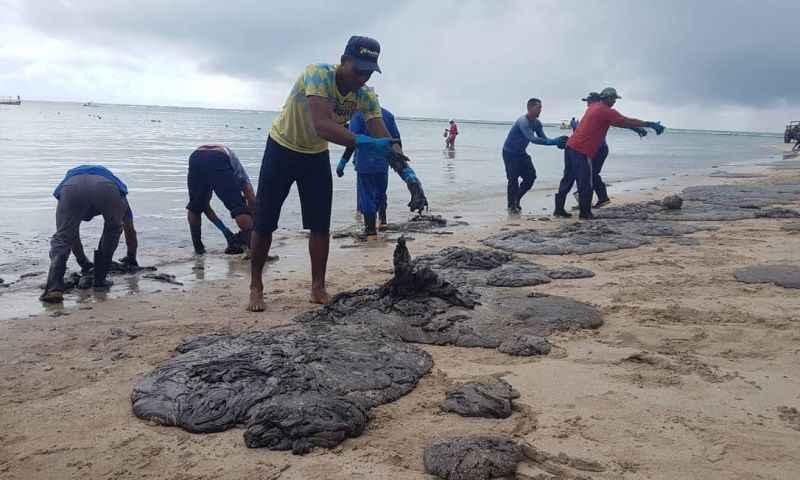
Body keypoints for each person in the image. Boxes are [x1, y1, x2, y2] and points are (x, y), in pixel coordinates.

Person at [249, 35, 421, 311]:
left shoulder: (365, 96)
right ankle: (256, 285)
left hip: (315, 156)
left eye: (369, 72)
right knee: (265, 221)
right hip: (281, 148)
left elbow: (384, 138)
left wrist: (410, 176)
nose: (362, 78)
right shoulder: (318, 74)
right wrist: (363, 142)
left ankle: (318, 287)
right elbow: (322, 125)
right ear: (344, 61)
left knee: (320, 225)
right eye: (358, 70)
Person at [554, 87, 665, 220]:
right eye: (613, 98)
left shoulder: (594, 107)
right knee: (586, 182)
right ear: (606, 98)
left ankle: (559, 209)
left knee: (568, 178)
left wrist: (636, 129)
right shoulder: (605, 110)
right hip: (582, 151)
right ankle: (585, 213)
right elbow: (625, 120)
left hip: (570, 147)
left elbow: (619, 122)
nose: (614, 101)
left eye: (615, 99)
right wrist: (649, 124)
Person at [40, 165, 139, 303]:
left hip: (71, 188)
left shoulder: (70, 179)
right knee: (113, 229)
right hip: (107, 188)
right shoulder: (113, 184)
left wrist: (83, 262)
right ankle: (99, 280)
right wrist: (131, 258)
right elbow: (129, 230)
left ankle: (54, 289)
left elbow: (71, 236)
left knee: (63, 236)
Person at [572, 92, 649, 208]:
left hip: (597, 149)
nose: (587, 103)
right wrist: (637, 129)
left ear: (594, 101)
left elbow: (620, 122)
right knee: (591, 174)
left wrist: (575, 128)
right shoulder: (595, 111)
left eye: (588, 101)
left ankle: (593, 199)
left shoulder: (597, 112)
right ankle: (596, 199)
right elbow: (620, 123)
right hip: (599, 149)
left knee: (589, 174)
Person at [338, 107, 402, 238]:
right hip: (383, 162)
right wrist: (400, 164)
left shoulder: (358, 115)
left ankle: (371, 231)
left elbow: (352, 141)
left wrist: (343, 162)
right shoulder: (388, 115)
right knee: (381, 192)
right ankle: (383, 222)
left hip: (364, 163)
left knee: (366, 195)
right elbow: (396, 140)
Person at [501, 98, 568, 214]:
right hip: (510, 153)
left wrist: (557, 142)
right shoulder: (523, 122)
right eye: (538, 108)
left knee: (531, 177)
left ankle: (516, 199)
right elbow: (532, 139)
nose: (540, 110)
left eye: (541, 107)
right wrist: (554, 142)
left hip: (521, 153)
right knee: (513, 180)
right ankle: (511, 205)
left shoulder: (537, 123)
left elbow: (544, 139)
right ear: (530, 108)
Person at [186, 144, 255, 255]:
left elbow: (205, 207)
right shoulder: (240, 174)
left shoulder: (207, 181)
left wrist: (225, 232)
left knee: (195, 207)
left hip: (196, 156)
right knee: (239, 208)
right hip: (218, 156)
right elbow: (251, 196)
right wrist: (254, 225)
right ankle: (256, 252)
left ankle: (198, 250)